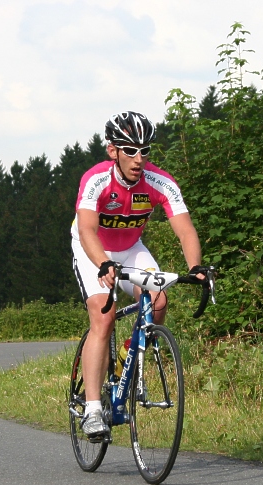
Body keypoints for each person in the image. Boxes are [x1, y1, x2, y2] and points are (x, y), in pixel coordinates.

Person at [71, 111, 205, 441]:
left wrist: (196, 267)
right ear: (112, 150)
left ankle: (123, 359)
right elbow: (87, 228)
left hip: (131, 248)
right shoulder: (96, 179)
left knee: (159, 301)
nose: (139, 158)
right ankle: (91, 409)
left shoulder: (160, 181)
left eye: (144, 150)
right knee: (103, 317)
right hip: (93, 249)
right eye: (130, 150)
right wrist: (103, 263)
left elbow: (186, 231)